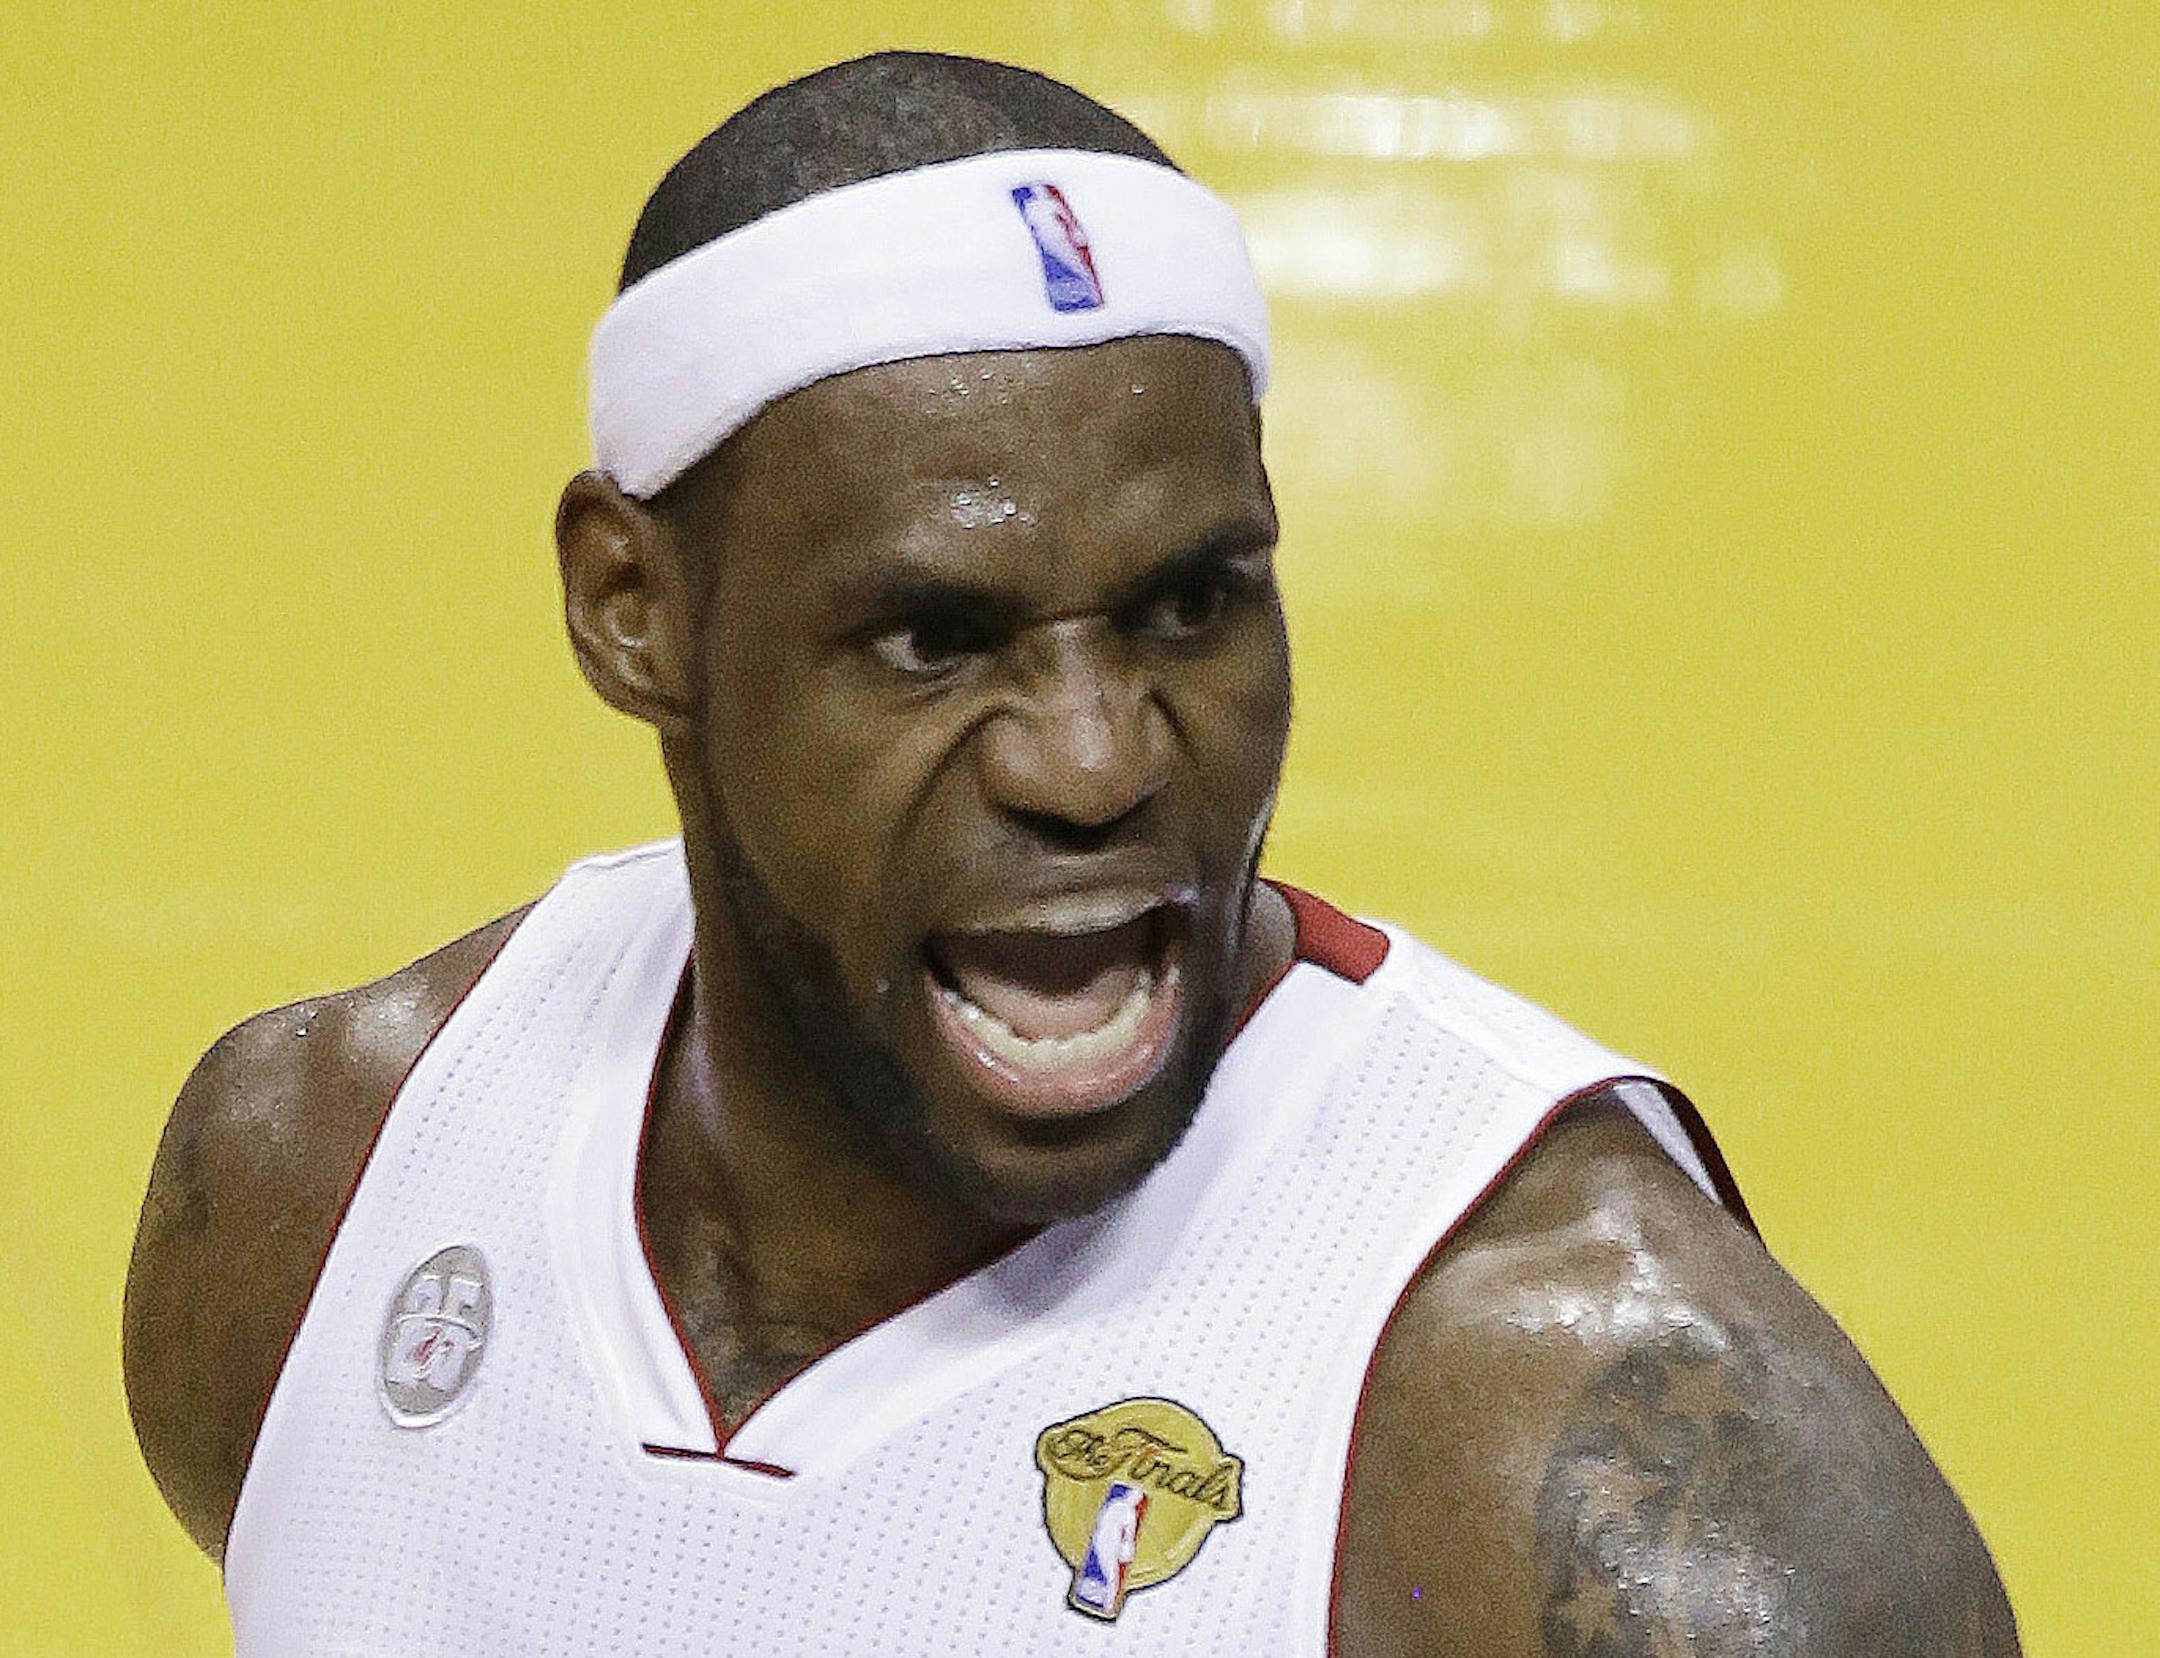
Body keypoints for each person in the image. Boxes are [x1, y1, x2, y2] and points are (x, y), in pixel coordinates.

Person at [122, 50, 2020, 1657]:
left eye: (1191, 606)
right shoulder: (316, 1196)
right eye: (938, 638)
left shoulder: (1571, 1438)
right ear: (637, 610)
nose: (1098, 761)